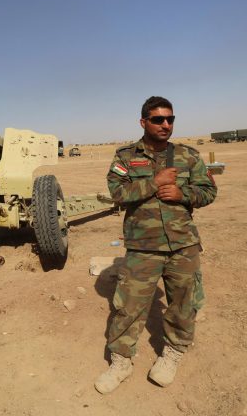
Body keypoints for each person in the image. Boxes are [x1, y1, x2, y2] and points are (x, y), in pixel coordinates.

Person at [95, 96, 217, 394]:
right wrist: (155, 181)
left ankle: (173, 352)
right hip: (143, 247)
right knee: (130, 307)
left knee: (183, 303)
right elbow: (118, 193)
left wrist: (182, 194)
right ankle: (121, 361)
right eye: (158, 119)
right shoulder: (126, 156)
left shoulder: (188, 156)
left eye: (170, 119)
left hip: (183, 245)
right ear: (143, 122)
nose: (165, 125)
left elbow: (209, 191)